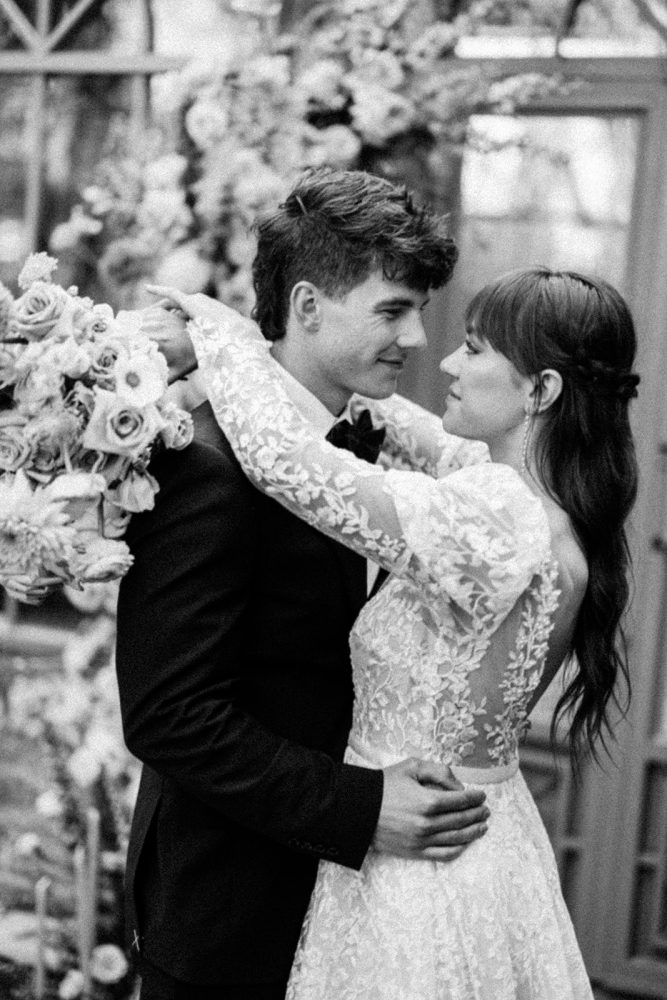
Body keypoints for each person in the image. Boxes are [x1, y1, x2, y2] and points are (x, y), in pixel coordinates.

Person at [148, 264, 640, 1000]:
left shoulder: (496, 521)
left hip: (415, 863)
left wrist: (218, 335)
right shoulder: (529, 497)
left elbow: (290, 463)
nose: (442, 359)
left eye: (472, 349)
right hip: (478, 834)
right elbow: (405, 428)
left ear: (539, 392)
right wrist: (270, 342)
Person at [115, 168, 490, 1000]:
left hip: (354, 917)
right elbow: (169, 716)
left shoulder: (373, 441)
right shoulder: (203, 464)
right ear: (309, 306)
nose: (418, 339)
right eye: (392, 310)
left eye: (419, 311)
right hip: (229, 913)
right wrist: (360, 808)